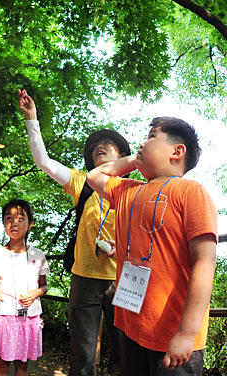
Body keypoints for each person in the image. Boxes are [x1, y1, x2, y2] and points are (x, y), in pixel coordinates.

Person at [86, 117, 217, 375]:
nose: (143, 143)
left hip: (174, 337)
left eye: (152, 137)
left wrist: (187, 334)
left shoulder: (191, 192)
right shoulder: (127, 191)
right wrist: (136, 159)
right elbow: (93, 175)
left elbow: (204, 262)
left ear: (178, 151)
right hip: (134, 329)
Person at [18, 89, 130, 375]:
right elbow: (43, 161)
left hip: (123, 279)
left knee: (126, 352)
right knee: (82, 351)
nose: (99, 148)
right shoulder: (81, 182)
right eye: (95, 147)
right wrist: (32, 120)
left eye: (107, 145)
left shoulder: (135, 190)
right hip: (84, 278)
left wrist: (124, 246)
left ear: (123, 157)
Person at [0, 199, 50, 376]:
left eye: (20, 218)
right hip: (6, 317)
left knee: (22, 366)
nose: (14, 222)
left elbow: (44, 286)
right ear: (4, 223)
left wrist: (36, 292)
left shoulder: (38, 255)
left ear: (30, 224)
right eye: (8, 218)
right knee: (2, 365)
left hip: (30, 318)